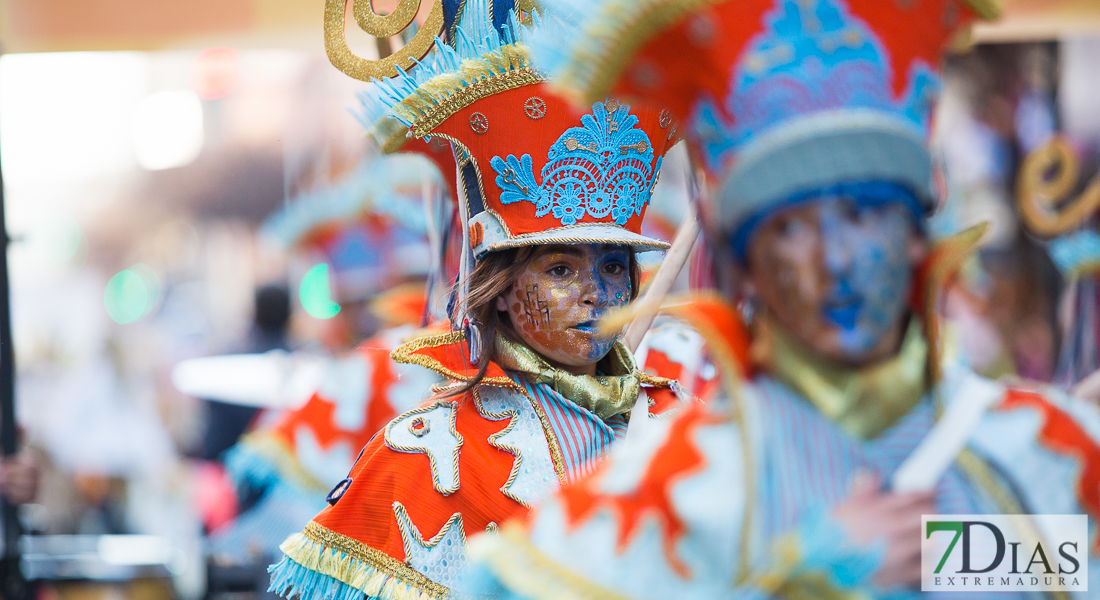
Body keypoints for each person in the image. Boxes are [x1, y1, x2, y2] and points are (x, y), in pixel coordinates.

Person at [465, 0, 1100, 598]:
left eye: (862, 212)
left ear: (915, 233)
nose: (835, 261)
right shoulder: (672, 489)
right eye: (790, 228)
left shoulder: (1043, 452)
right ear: (743, 264)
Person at [267, 1, 685, 598]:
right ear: (505, 291)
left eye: (615, 265)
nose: (598, 291)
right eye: (563, 268)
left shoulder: (686, 426)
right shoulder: (421, 452)